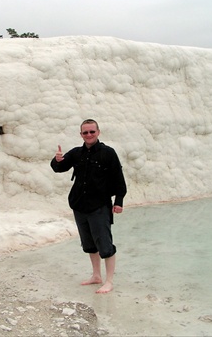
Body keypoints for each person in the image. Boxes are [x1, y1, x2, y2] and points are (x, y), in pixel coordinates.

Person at [50, 119, 127, 294]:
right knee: (89, 243)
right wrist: (57, 160)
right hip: (79, 205)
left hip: (99, 205)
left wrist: (119, 201)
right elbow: (59, 168)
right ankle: (96, 276)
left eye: (92, 131)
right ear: (81, 135)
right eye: (85, 132)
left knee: (104, 244)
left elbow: (118, 178)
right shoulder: (77, 153)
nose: (89, 135)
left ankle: (109, 281)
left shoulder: (108, 153)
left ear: (98, 132)